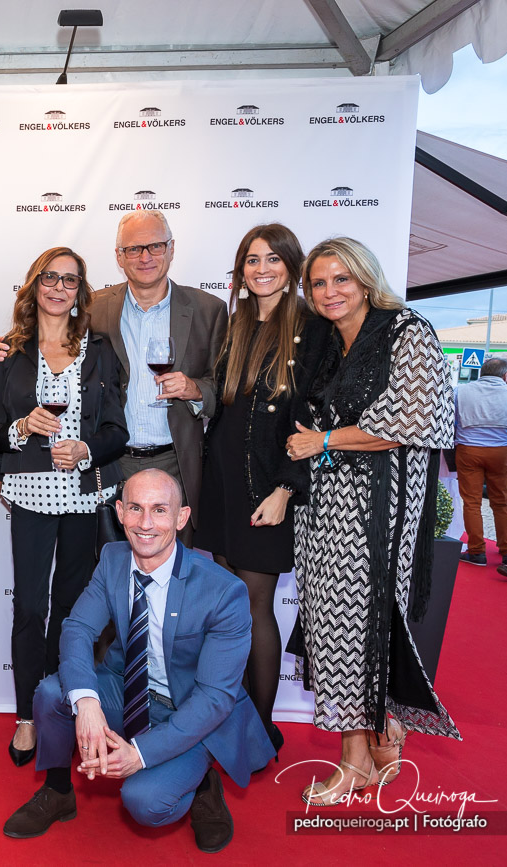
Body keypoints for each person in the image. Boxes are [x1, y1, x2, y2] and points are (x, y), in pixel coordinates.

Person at [2, 470, 274, 853]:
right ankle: (58, 791)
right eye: (136, 509)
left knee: (145, 802)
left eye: (160, 510)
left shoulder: (223, 591)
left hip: (193, 708)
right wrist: (88, 703)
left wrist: (140, 754)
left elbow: (214, 699)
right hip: (129, 691)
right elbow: (77, 628)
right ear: (119, 512)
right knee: (51, 694)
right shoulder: (113, 559)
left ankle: (203, 785)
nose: (146, 524)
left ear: (181, 518)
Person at [286, 237, 459, 806]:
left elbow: (412, 419)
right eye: (318, 283)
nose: (329, 292)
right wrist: (322, 449)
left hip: (379, 510)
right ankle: (380, 737)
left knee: (361, 626)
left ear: (365, 278)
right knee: (336, 629)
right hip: (328, 508)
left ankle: (354, 759)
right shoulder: (329, 342)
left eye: (341, 279)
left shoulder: (406, 330)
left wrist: (325, 440)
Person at [0, 212, 225, 545]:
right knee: (109, 572)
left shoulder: (208, 309)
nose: (145, 257)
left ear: (171, 249)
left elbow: (223, 386)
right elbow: (45, 335)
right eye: (134, 249)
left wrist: (196, 389)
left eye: (155, 246)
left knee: (173, 575)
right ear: (119, 257)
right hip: (111, 465)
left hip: (176, 462)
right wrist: (0, 350)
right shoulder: (95, 307)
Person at [0, 247, 128, 768]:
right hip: (30, 496)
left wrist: (87, 449)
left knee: (70, 612)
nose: (59, 287)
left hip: (86, 496)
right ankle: (24, 716)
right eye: (50, 277)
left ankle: (57, 707)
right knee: (29, 608)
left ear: (80, 290)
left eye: (70, 280)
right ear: (34, 284)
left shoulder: (100, 349)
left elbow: (117, 431)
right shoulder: (9, 352)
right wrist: (20, 429)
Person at [194, 223, 328, 753]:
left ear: (293, 268)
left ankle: (262, 727)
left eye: (273, 259)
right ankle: (232, 715)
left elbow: (311, 415)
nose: (262, 269)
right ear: (240, 270)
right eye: (252, 260)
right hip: (222, 478)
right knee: (229, 603)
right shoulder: (237, 323)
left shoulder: (313, 328)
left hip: (268, 484)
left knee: (255, 603)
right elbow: (224, 404)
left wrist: (286, 491)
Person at [452, 357, 507, 580]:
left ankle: (476, 552)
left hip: (468, 450)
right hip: (501, 452)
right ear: (505, 376)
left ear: (481, 372)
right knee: (502, 502)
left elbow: (451, 420)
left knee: (472, 502)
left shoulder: (461, 391)